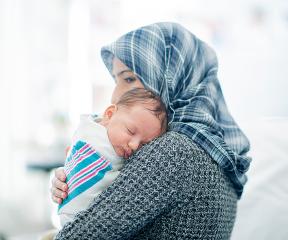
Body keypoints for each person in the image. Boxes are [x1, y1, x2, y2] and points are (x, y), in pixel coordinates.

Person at [51, 22, 251, 239]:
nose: (115, 96)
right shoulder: (220, 156)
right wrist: (76, 180)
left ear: (169, 75)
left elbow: (78, 236)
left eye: (129, 79)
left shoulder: (174, 151)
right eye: (116, 80)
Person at [58, 87, 167, 226]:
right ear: (109, 114)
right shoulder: (93, 135)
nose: (134, 145)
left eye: (143, 145)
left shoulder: (90, 127)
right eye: (130, 131)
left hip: (80, 221)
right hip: (69, 212)